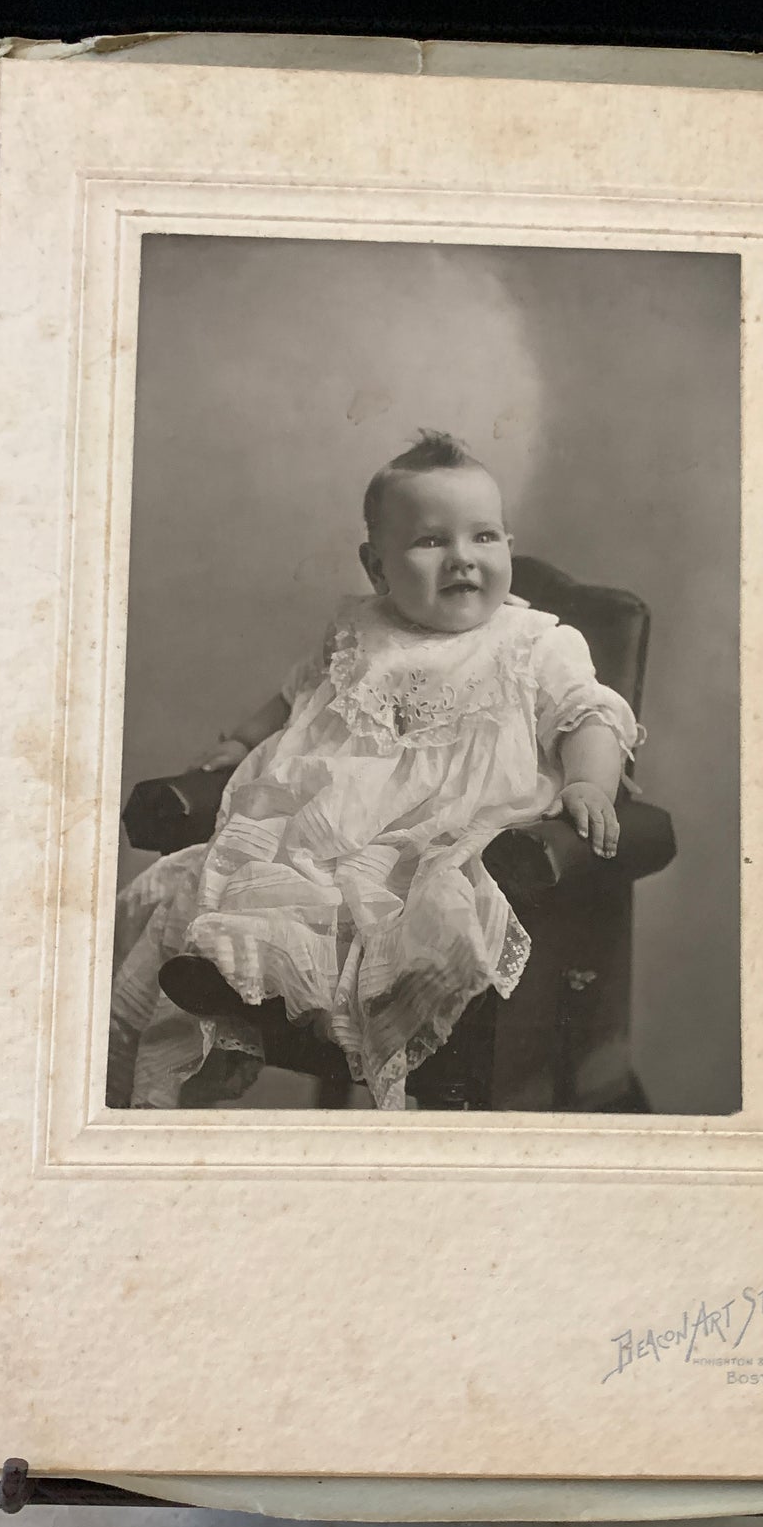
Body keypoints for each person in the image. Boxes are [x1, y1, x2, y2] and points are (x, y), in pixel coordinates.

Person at [109, 430, 641, 1111]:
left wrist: (588, 781)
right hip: (323, 840)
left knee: (414, 914)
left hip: (436, 844)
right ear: (376, 565)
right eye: (429, 542)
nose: (462, 559)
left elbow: (587, 714)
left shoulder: (535, 643)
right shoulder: (359, 632)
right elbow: (294, 695)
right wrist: (241, 743)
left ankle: (279, 981)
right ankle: (232, 973)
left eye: (484, 537)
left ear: (507, 543)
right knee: (253, 888)